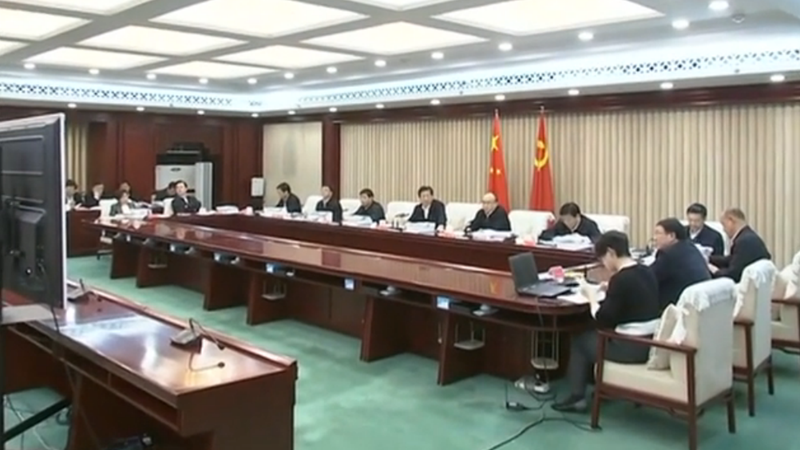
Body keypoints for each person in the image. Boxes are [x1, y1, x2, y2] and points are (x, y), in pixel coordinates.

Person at [552, 231, 660, 413]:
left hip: (631, 347)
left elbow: (603, 319)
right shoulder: (645, 270)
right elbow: (633, 296)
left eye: (603, 258)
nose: (603, 264)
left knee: (579, 340)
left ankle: (577, 397)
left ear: (610, 252)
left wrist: (591, 296)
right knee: (588, 333)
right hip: (651, 342)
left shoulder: (621, 279)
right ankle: (600, 386)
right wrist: (609, 288)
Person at [650, 218, 711, 309]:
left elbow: (648, 277)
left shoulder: (668, 254)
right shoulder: (690, 247)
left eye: (658, 233)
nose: (654, 238)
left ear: (671, 236)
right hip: (699, 304)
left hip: (677, 307)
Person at [709, 208, 771, 282]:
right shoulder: (748, 236)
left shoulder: (744, 241)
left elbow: (733, 274)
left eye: (724, 225)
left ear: (731, 221)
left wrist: (714, 270)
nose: (723, 229)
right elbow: (733, 259)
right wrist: (709, 259)